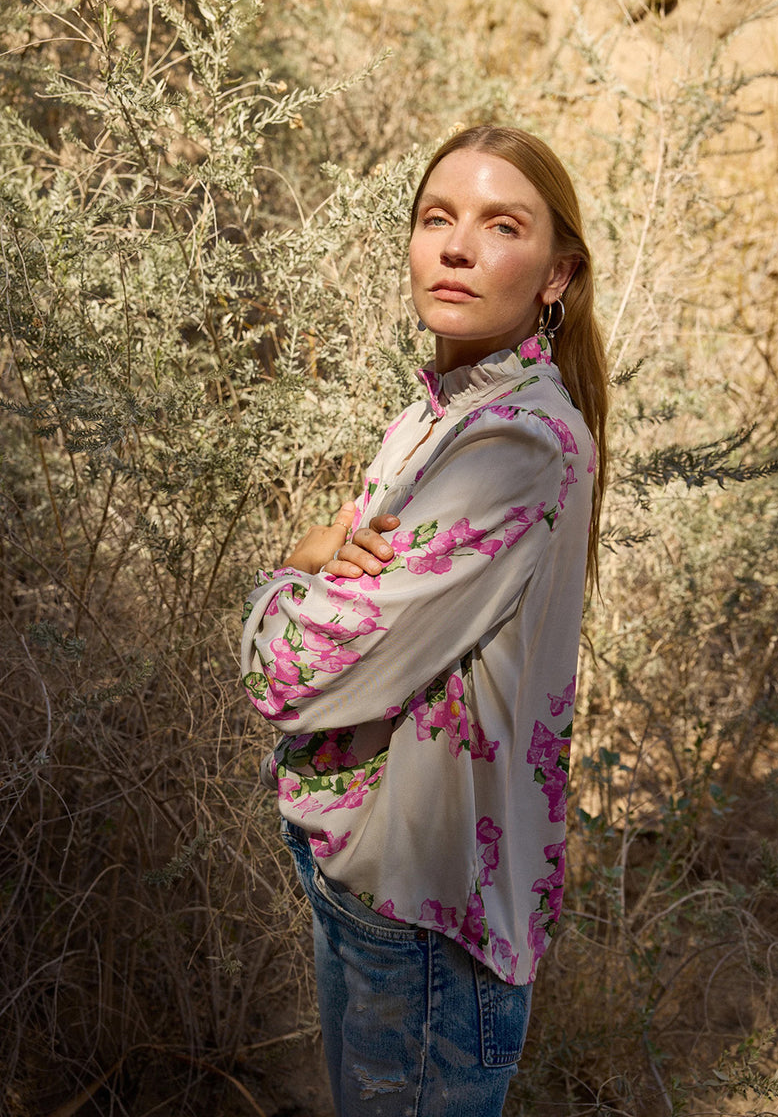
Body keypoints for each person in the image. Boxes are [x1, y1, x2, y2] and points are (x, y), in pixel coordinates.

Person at [241, 125, 608, 1116]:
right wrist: (319, 569)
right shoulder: (436, 413)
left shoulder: (516, 443)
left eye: (502, 226)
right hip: (368, 881)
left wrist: (288, 570)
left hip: (427, 924)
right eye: (436, 217)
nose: (456, 247)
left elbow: (289, 672)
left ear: (555, 274)